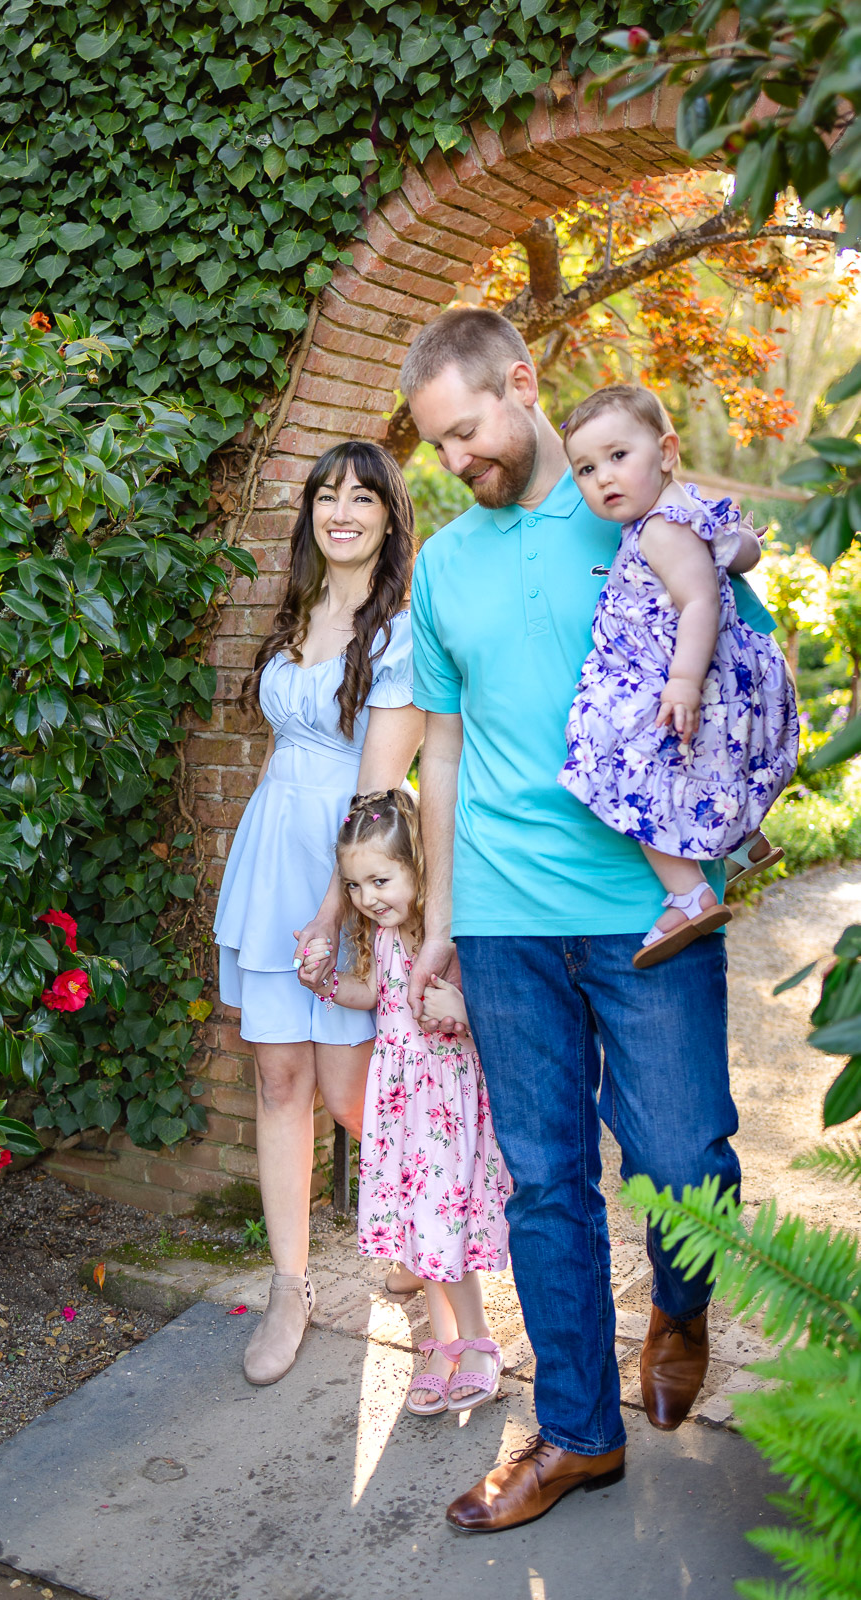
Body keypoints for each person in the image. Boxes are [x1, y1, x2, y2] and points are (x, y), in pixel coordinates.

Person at [397, 307, 777, 1532]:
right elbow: (441, 748)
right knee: (544, 1182)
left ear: (520, 383)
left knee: (681, 1156)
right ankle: (574, 1434)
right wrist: (440, 916)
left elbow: (740, 663)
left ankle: (679, 1304)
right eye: (436, 446)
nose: (455, 459)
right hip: (501, 918)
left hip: (642, 906)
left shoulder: (630, 506)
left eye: (465, 430)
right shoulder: (441, 562)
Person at [214, 441, 424, 1387]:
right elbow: (284, 750)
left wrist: (334, 911)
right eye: (326, 495)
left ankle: (419, 1233)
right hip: (272, 854)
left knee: (349, 1093)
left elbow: (378, 791)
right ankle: (289, 1287)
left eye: (362, 497)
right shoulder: (295, 613)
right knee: (277, 1081)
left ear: (388, 516)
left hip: (351, 866)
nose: (341, 511)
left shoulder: (401, 632)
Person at [559, 384, 798, 967]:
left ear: (667, 451)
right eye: (586, 469)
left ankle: (689, 895)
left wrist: (683, 682)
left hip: (691, 680)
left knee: (620, 765)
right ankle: (743, 845)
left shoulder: (662, 529)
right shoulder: (686, 510)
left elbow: (699, 602)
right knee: (698, 769)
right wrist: (742, 542)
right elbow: (741, 552)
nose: (603, 477)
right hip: (726, 678)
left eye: (618, 456)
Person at [298, 789, 510, 1415]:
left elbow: (498, 1016)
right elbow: (373, 993)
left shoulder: (453, 939)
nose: (367, 898)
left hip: (444, 1101)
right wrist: (327, 983)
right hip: (400, 1102)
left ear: (419, 866)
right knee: (420, 1226)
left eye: (380, 880)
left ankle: (478, 1342)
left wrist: (462, 1010)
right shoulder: (384, 935)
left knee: (443, 1222)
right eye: (355, 885)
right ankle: (443, 1345)